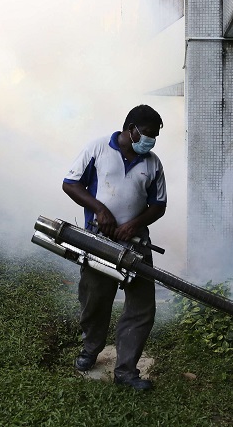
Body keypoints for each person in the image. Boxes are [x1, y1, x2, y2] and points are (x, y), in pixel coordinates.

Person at [62, 104, 167, 391]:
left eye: (155, 136)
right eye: (147, 134)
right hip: (100, 239)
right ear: (130, 129)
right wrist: (100, 210)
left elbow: (159, 205)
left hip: (137, 243)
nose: (151, 140)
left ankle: (126, 370)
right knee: (95, 298)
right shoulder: (97, 148)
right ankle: (90, 350)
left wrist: (134, 224)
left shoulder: (153, 163)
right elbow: (70, 184)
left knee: (141, 307)